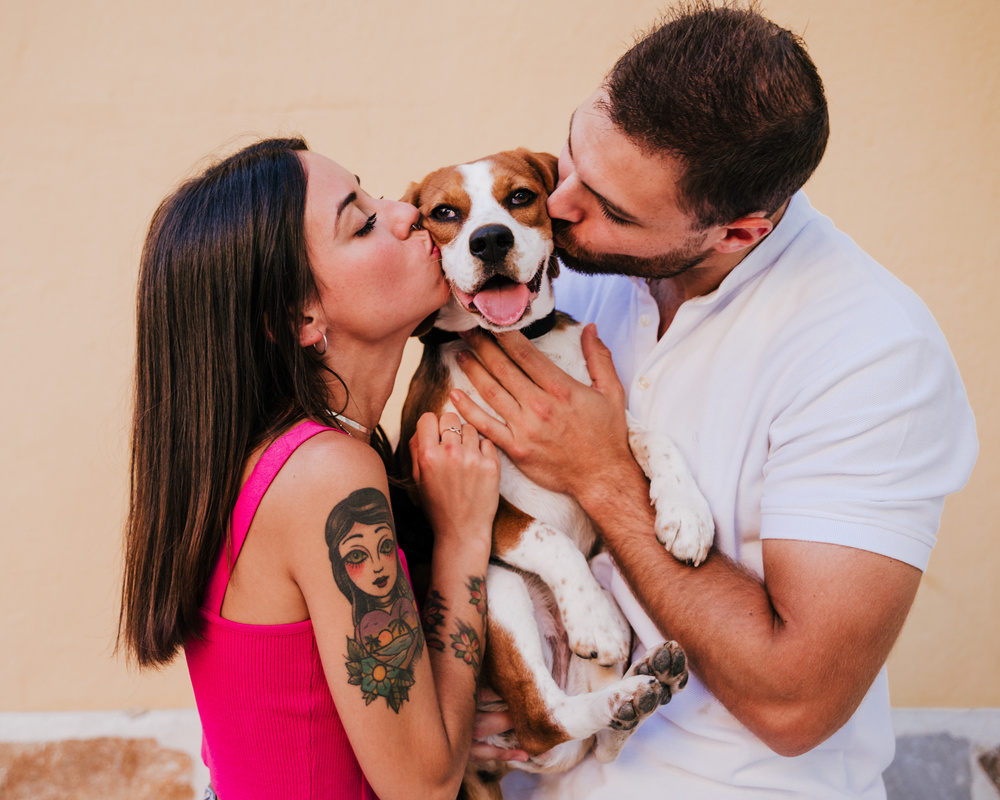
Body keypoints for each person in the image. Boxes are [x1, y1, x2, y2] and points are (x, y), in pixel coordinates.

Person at [453, 4, 979, 798]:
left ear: (736, 233)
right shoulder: (565, 268)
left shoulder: (871, 352)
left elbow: (797, 701)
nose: (559, 208)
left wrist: (604, 476)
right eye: (572, 157)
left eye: (613, 208)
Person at [118, 137, 507, 800]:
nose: (406, 211)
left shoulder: (262, 460)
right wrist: (464, 537)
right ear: (299, 315)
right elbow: (424, 787)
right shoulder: (329, 476)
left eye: (374, 192)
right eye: (362, 221)